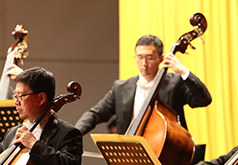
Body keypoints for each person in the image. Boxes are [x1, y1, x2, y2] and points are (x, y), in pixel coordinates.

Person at [75, 34, 212, 136]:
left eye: (150, 57)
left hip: (166, 154)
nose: (144, 63)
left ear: (161, 59)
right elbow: (95, 114)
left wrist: (183, 71)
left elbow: (204, 100)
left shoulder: (175, 83)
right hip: (130, 154)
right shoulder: (121, 88)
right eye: (140, 57)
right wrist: (73, 135)